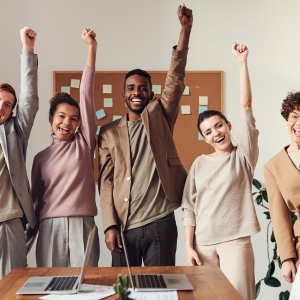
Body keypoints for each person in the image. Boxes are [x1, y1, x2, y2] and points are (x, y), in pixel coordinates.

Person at [98, 4, 192, 267]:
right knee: (123, 289)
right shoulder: (107, 133)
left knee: (159, 289)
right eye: (131, 88)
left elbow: (176, 77)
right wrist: (109, 226)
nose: (136, 92)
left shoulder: (161, 115)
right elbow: (105, 183)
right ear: (123, 95)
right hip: (123, 225)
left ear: (151, 94)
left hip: (160, 221)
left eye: (142, 88)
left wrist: (185, 30)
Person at [182, 43, 260, 300]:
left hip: (235, 243)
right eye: (208, 132)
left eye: (219, 126)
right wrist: (189, 246)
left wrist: (241, 63)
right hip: (202, 246)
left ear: (228, 126)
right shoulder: (199, 164)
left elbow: (246, 107)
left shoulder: (243, 156)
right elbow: (188, 208)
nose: (216, 133)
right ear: (204, 138)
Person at [25, 29, 99, 267]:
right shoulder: (40, 158)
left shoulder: (85, 143)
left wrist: (91, 49)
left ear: (79, 123)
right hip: (49, 228)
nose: (67, 123)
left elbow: (86, 94)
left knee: (86, 287)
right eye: (61, 116)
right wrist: (23, 246)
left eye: (74, 118)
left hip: (83, 225)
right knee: (51, 288)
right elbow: (35, 204)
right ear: (51, 118)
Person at [0, 27, 38, 279]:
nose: (1, 107)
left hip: (9, 222)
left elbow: (29, 100)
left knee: (12, 287)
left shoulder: (14, 132)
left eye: (7, 105)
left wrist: (27, 49)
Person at [264, 93, 300, 284]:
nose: (299, 122)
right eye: (294, 116)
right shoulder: (274, 166)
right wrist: (287, 258)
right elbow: (278, 215)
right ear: (287, 120)